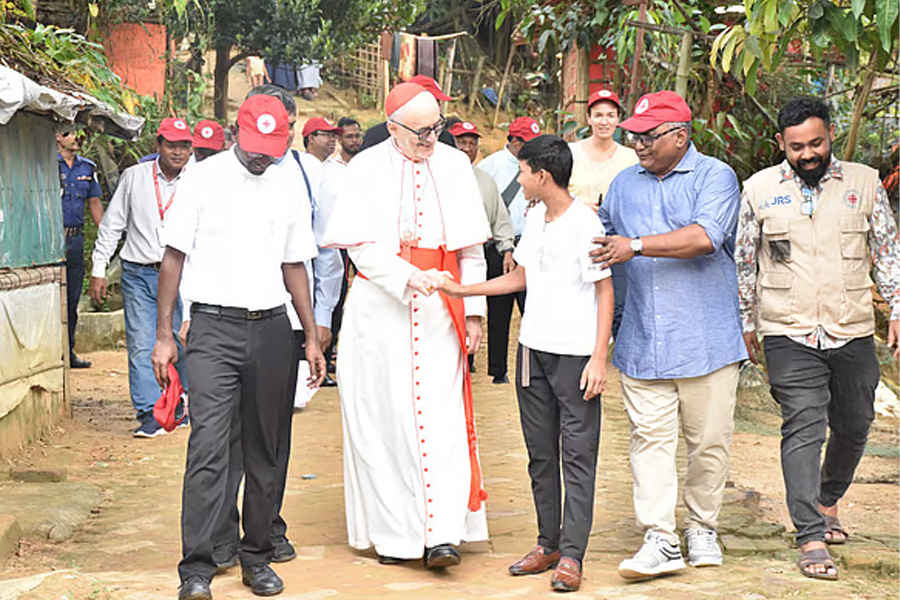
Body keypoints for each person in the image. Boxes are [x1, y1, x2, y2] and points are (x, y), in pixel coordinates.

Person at [151, 94, 326, 600]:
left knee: (265, 449)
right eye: (252, 146)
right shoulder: (202, 180)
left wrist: (310, 335)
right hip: (212, 330)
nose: (259, 156)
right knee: (208, 447)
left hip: (273, 329)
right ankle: (198, 568)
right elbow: (172, 259)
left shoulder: (289, 182)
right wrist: (165, 334)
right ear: (234, 132)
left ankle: (257, 557)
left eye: (270, 148)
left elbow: (296, 264)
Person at [321, 82, 491, 568]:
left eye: (436, 128)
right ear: (392, 127)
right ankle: (396, 535)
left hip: (441, 309)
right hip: (380, 310)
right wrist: (405, 275)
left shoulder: (455, 165)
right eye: (419, 131)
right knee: (384, 421)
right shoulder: (367, 166)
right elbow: (359, 248)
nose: (430, 139)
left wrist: (474, 313)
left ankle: (443, 535)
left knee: (441, 420)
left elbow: (472, 250)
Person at [439, 134, 613, 592]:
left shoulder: (585, 223)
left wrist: (599, 358)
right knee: (540, 454)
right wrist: (464, 291)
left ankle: (572, 554)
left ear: (543, 175)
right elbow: (521, 277)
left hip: (575, 356)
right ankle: (547, 543)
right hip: (532, 352)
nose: (518, 178)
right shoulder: (535, 218)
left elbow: (604, 290)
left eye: (522, 170)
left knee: (577, 456)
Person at [735, 97, 900, 581]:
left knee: (855, 422)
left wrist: (897, 308)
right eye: (797, 147)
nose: (808, 154)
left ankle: (827, 501)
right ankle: (809, 534)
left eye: (816, 143)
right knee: (802, 426)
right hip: (787, 328)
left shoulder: (865, 183)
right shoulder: (759, 189)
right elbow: (747, 260)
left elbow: (887, 251)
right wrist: (746, 320)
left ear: (830, 135)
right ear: (781, 144)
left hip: (850, 327)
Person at [591, 91, 747, 580]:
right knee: (649, 441)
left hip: (705, 340)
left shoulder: (715, 176)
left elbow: (705, 237)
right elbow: (600, 239)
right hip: (641, 337)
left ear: (681, 135)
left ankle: (702, 525)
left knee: (708, 443)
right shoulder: (623, 184)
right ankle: (659, 537)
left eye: (648, 135)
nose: (637, 143)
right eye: (633, 134)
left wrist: (633, 246)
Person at [206, 84, 344, 574]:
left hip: (285, 323)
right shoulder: (218, 176)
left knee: (270, 438)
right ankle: (221, 536)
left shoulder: (308, 177)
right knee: (222, 438)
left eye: (285, 125)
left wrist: (319, 322)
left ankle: (267, 530)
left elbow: (322, 252)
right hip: (229, 321)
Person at [90, 117, 193, 438]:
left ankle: (184, 403)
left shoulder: (201, 180)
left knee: (186, 338)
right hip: (139, 272)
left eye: (184, 145)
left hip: (185, 275)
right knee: (141, 343)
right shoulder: (134, 177)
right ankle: (150, 411)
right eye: (171, 145)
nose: (178, 152)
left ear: (192, 149)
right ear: (158, 146)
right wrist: (98, 268)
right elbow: (112, 224)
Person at [477, 116, 542, 384]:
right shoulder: (490, 166)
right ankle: (498, 370)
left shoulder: (539, 166)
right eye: (527, 142)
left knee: (533, 307)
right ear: (514, 141)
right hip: (497, 244)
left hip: (531, 242)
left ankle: (535, 365)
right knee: (498, 308)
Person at [448, 120, 516, 374]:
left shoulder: (485, 181)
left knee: (482, 305)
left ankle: (479, 361)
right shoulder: (437, 177)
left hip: (483, 251)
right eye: (461, 143)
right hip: (449, 254)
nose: (467, 148)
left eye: (472, 143)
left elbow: (500, 218)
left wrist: (506, 247)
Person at [570, 90, 638, 338]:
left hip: (616, 242)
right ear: (588, 118)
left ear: (619, 119)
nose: (604, 121)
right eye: (598, 115)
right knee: (579, 306)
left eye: (610, 115)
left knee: (619, 306)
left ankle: (622, 367)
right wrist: (578, 206)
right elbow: (555, 193)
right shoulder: (571, 153)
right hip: (576, 241)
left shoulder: (631, 158)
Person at [57, 125, 104, 369]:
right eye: (71, 132)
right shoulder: (47, 164)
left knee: (73, 297)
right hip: (51, 240)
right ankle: (53, 353)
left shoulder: (87, 168)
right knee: (53, 298)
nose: (77, 137)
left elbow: (94, 202)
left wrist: (105, 234)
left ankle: (68, 351)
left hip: (75, 240)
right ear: (57, 137)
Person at [359, 75, 457, 151]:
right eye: (432, 101)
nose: (437, 107)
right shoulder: (376, 137)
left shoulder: (445, 139)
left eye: (438, 103)